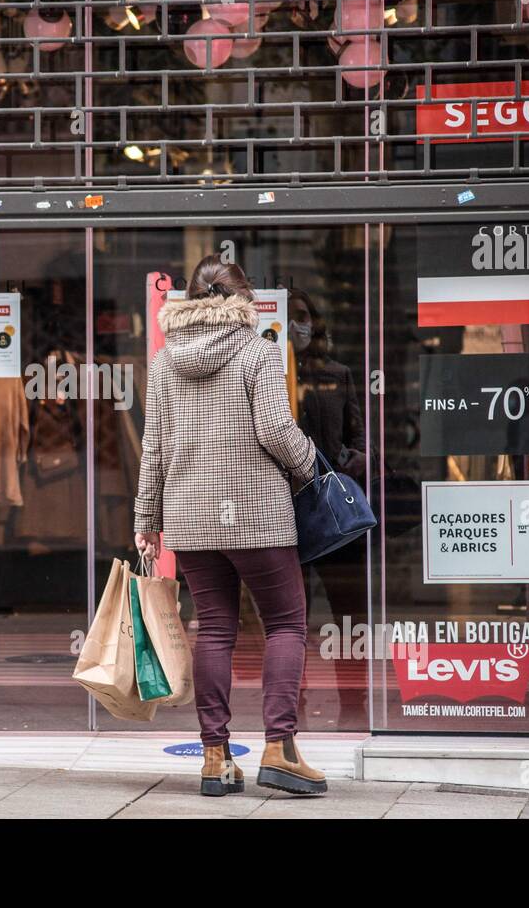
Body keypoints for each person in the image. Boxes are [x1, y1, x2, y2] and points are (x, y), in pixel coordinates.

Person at [134, 254, 327, 798]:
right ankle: (279, 749)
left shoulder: (165, 361)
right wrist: (314, 467)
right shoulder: (259, 353)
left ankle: (215, 758)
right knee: (286, 625)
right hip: (257, 514)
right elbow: (276, 430)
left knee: (216, 629)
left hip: (190, 519)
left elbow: (155, 448)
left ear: (191, 303)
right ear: (244, 302)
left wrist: (148, 519)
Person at [288, 289, 370, 730]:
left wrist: (354, 457)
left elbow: (359, 435)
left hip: (334, 507)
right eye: (289, 317)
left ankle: (354, 704)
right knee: (291, 616)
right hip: (285, 509)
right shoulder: (264, 373)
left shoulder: (337, 375)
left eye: (303, 316)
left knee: (349, 612)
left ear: (315, 323)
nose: (297, 325)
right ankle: (291, 705)